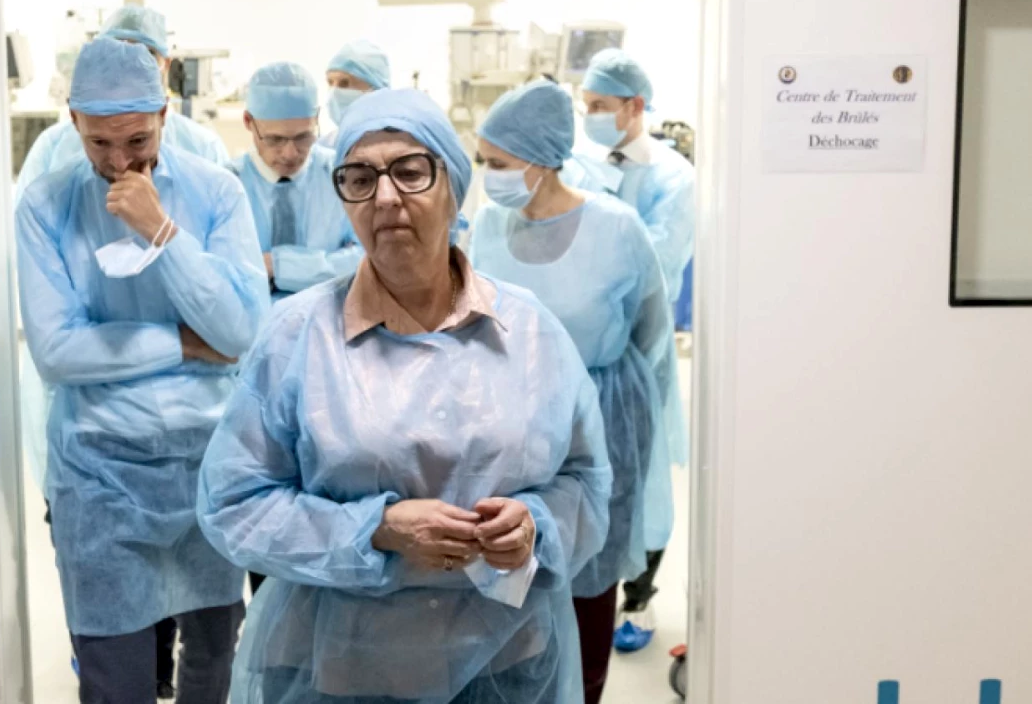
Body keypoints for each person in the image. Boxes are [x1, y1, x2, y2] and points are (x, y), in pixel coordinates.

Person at [197, 88, 613, 703]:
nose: (385, 197)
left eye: (410, 171)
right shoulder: (298, 337)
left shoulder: (528, 332)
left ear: (453, 186)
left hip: (508, 666)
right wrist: (374, 531)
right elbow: (235, 503)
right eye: (359, 177)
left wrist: (535, 527)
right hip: (345, 668)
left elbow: (585, 480)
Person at [15, 35, 270, 704]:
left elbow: (243, 329)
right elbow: (57, 351)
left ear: (165, 114)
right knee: (116, 682)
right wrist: (186, 344)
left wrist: (163, 234)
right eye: (100, 143)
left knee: (214, 661)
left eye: (136, 139)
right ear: (72, 122)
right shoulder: (45, 207)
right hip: (103, 477)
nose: (119, 160)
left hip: (209, 466)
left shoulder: (216, 193)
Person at [468, 80, 677, 703]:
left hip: (602, 425)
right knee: (510, 577)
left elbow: (652, 332)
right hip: (508, 427)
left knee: (587, 580)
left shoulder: (617, 228)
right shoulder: (487, 225)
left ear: (539, 159)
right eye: (484, 162)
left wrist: (613, 406)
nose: (488, 176)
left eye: (498, 164)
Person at [579, 48, 695, 653]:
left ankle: (641, 600)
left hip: (640, 350)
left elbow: (654, 260)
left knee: (642, 478)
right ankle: (586, 590)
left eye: (601, 106)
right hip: (579, 353)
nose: (591, 116)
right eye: (587, 105)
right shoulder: (575, 165)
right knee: (583, 473)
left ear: (635, 107)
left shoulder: (674, 177)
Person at [15, 5, 230, 192]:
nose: (129, 66)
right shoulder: (53, 147)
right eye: (99, 142)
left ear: (166, 64)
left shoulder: (203, 147)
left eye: (145, 56)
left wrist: (160, 229)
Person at [230, 62, 361, 303]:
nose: (290, 154)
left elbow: (367, 260)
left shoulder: (345, 177)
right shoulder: (226, 186)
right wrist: (327, 265)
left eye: (304, 137)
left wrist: (278, 266)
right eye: (275, 139)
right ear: (249, 122)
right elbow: (226, 274)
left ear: (317, 118)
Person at [317, 39, 390, 149]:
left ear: (375, 90)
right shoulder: (324, 148)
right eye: (330, 82)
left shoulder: (398, 144)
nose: (334, 92)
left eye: (344, 83)